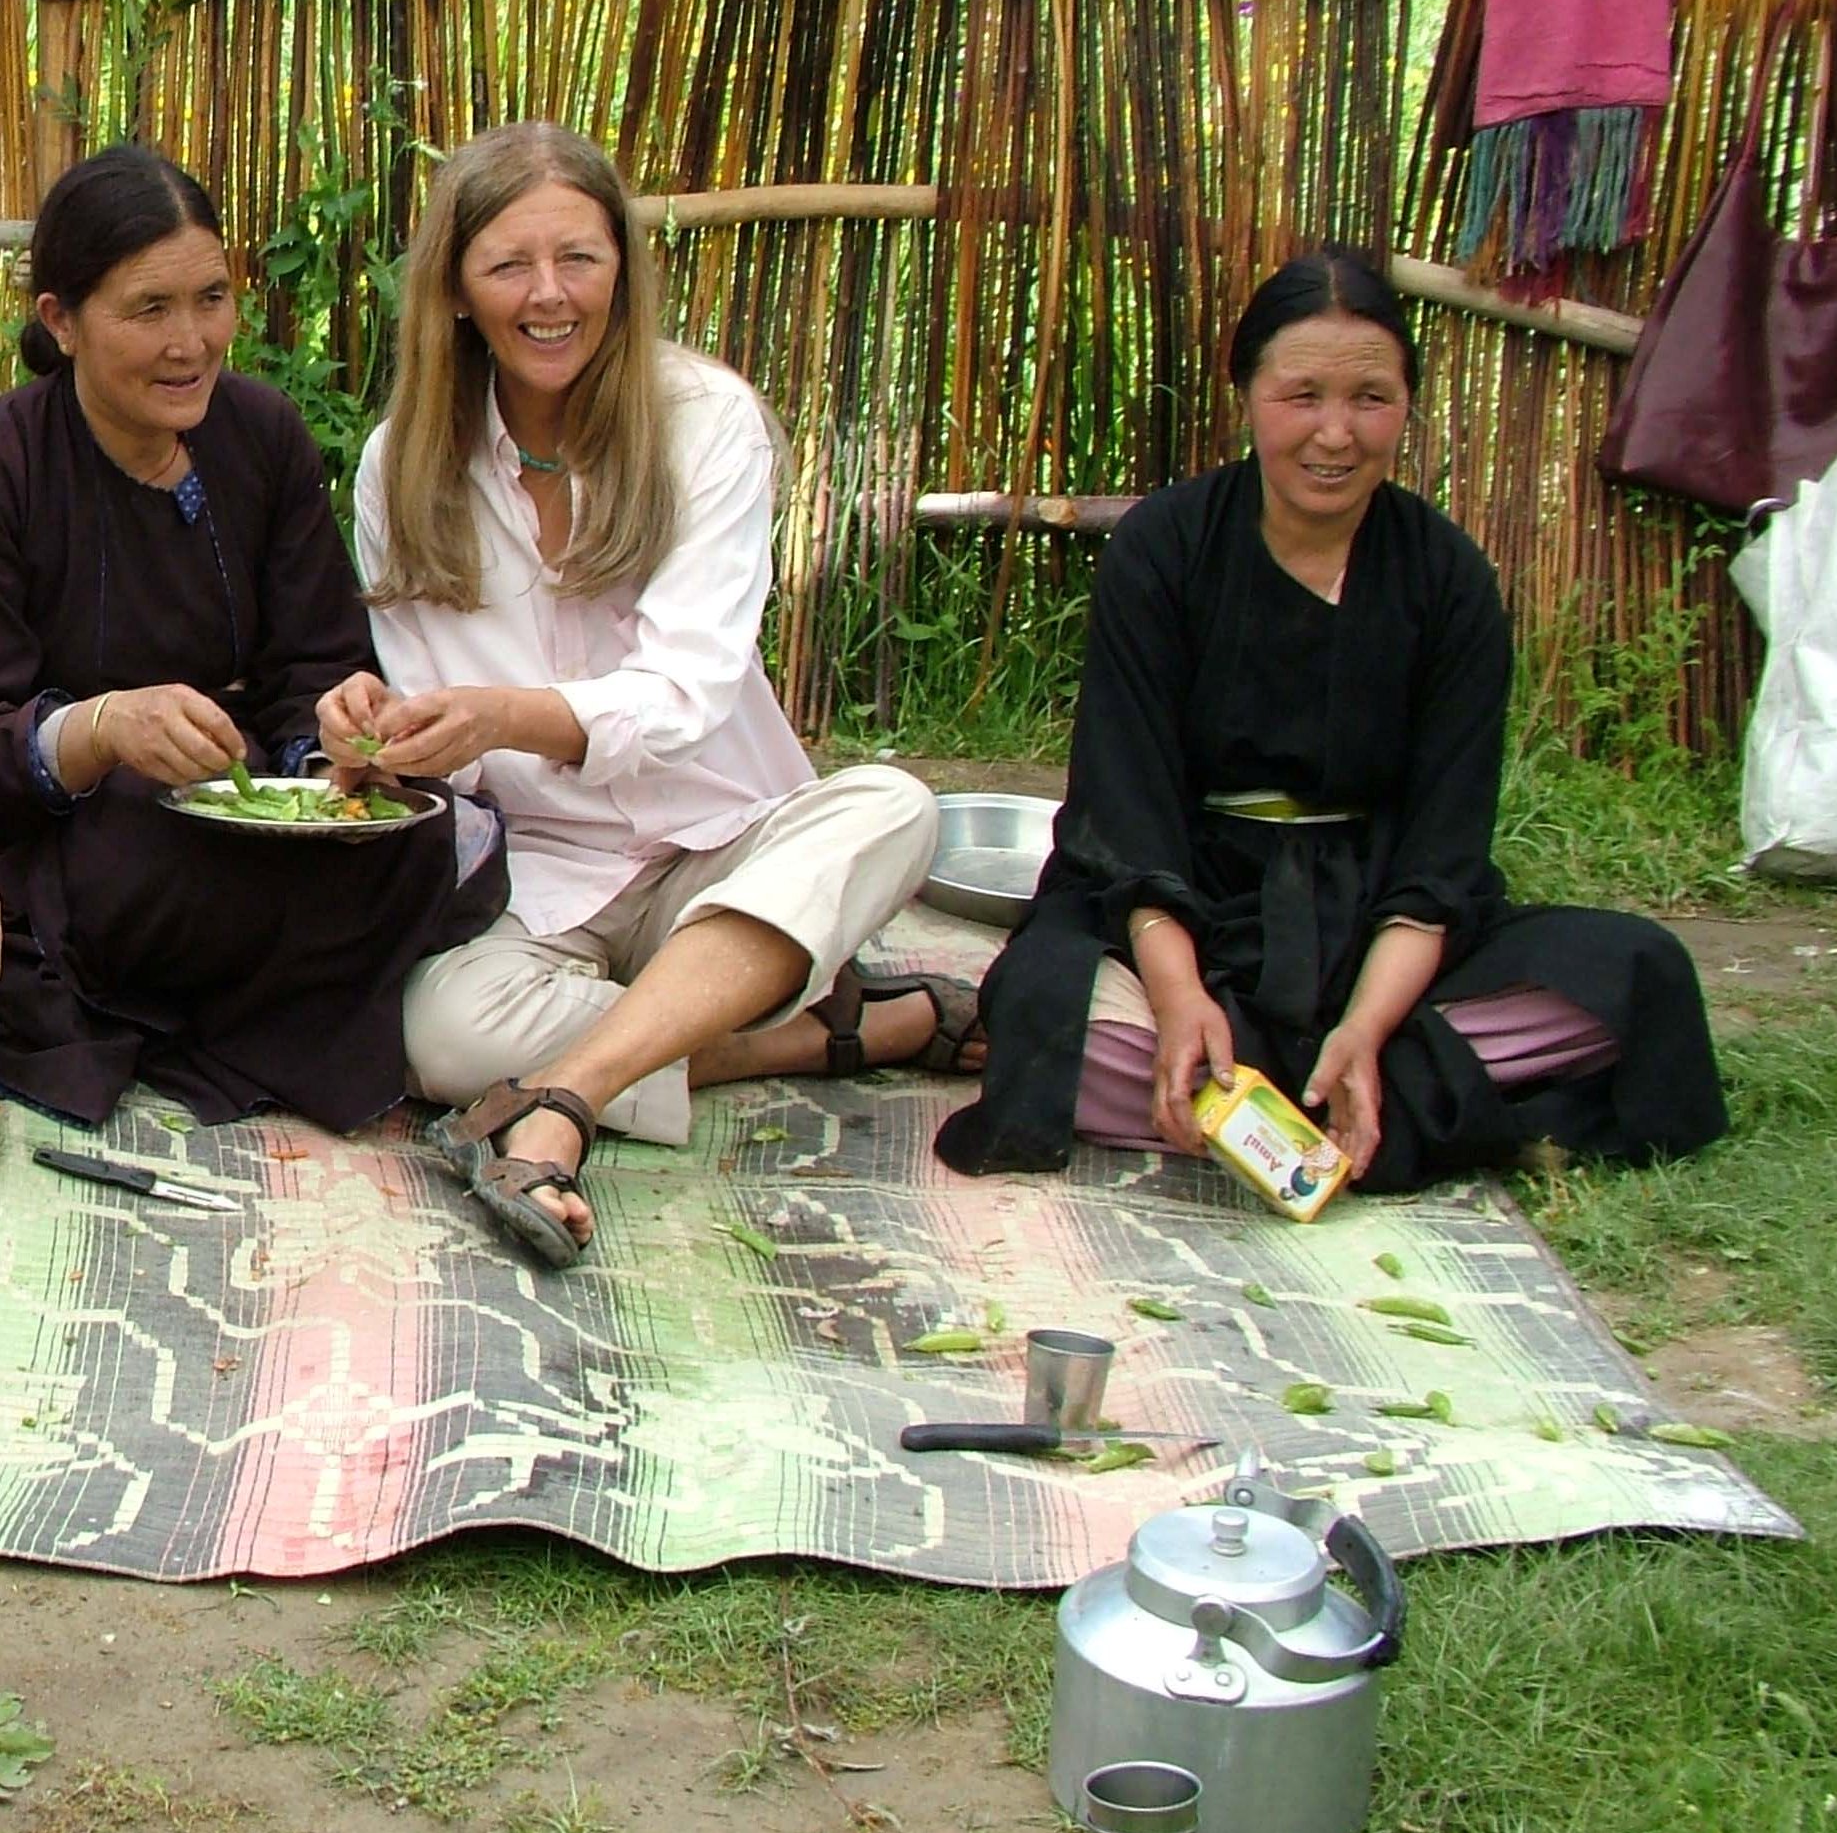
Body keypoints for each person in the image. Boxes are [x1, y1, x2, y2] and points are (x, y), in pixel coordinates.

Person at [318, 122, 975, 1269]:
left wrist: (504, 713)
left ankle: (566, 1095)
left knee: (893, 808)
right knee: (436, 1034)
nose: (548, 294)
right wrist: (385, 736)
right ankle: (828, 1030)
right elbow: (446, 739)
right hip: (552, 875)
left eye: (578, 257)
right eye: (508, 265)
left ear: (622, 263)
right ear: (458, 291)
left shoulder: (703, 420)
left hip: (721, 841)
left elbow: (685, 687)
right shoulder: (401, 462)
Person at [936, 247, 1728, 1190]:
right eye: (1300, 395)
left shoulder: (1448, 580)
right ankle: (1372, 1108)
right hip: (1188, 896)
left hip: (1377, 918)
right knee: (1044, 1002)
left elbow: (1442, 855)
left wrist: (1364, 1026)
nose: (1334, 434)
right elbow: (1128, 807)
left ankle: (1293, 1092)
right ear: (1246, 396)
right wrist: (1180, 995)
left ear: (1405, 407)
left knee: (1637, 971)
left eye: (1370, 399)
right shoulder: (1163, 551)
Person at [0, 148, 508, 1129]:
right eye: (148, 309)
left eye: (211, 298)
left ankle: (249, 990)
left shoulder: (261, 434)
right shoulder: (15, 464)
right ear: (61, 320)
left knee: (431, 832)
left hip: (239, 819)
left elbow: (314, 656)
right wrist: (103, 727)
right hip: (76, 835)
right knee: (144, 848)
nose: (190, 341)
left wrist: (334, 735)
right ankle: (303, 1004)